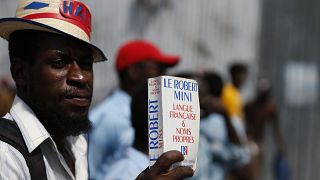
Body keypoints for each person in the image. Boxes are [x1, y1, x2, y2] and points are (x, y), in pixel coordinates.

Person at [0, 0, 194, 179]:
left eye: (85, 64)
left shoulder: (76, 144)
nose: (81, 77)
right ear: (21, 73)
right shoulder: (6, 155)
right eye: (59, 63)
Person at [88, 39, 180, 179]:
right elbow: (88, 171)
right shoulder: (110, 116)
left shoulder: (146, 110)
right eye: (159, 69)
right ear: (134, 71)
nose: (165, 75)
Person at [244, 78, 286, 180]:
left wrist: (281, 144)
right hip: (249, 141)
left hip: (258, 142)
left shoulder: (270, 108)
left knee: (255, 170)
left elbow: (276, 128)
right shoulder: (250, 106)